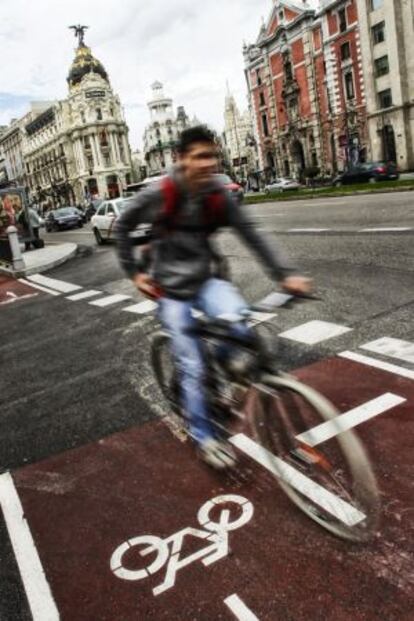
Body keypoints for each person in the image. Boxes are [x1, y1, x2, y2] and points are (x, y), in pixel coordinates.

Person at [116, 125, 311, 469]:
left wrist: (285, 275)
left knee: (239, 321)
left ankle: (229, 368)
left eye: (213, 156)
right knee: (191, 364)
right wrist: (135, 272)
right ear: (180, 159)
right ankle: (204, 436)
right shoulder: (159, 194)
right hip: (172, 291)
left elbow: (252, 234)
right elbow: (123, 226)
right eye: (200, 156)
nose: (209, 164)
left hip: (207, 281)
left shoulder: (216, 194)